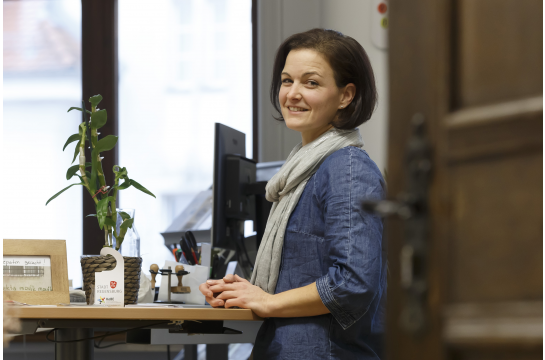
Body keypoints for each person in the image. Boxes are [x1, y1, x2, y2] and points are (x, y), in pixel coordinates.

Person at [199, 28, 386, 359]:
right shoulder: (302, 169)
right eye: (287, 81)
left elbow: (352, 282)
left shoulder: (348, 168)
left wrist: (268, 301)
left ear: (346, 95)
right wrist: (246, 291)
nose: (292, 94)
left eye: (311, 83)